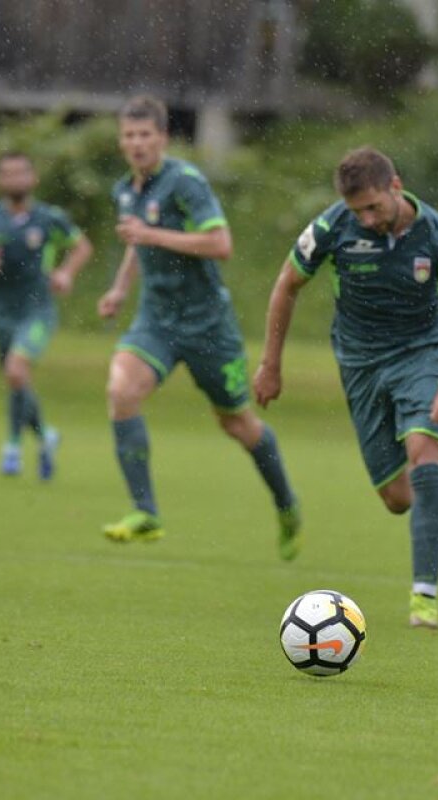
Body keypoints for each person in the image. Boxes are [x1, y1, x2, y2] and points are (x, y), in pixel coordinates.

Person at [253, 146, 438, 629]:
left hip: (420, 353)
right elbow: (286, 286)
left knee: (423, 452)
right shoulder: (330, 228)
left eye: (373, 207)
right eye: (356, 209)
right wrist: (270, 365)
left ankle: (425, 598)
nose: (365, 218)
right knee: (398, 499)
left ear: (395, 187)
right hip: (359, 364)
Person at [97, 94, 301, 559]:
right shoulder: (125, 190)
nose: (137, 143)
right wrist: (119, 290)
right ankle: (145, 512)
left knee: (238, 424)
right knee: (121, 391)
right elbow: (136, 242)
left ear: (163, 138)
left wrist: (149, 235)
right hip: (156, 320)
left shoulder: (185, 183)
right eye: (129, 135)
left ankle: (286, 502)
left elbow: (219, 243)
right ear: (121, 141)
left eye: (145, 134)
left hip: (209, 325)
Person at [0, 152, 93, 479]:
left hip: (38, 309)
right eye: (8, 173)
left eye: (21, 173)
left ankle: (13, 446)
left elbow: (82, 247)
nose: (15, 179)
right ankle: (46, 437)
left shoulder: (49, 218)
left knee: (17, 370)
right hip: (2, 311)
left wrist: (66, 273)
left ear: (33, 179)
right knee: (16, 379)